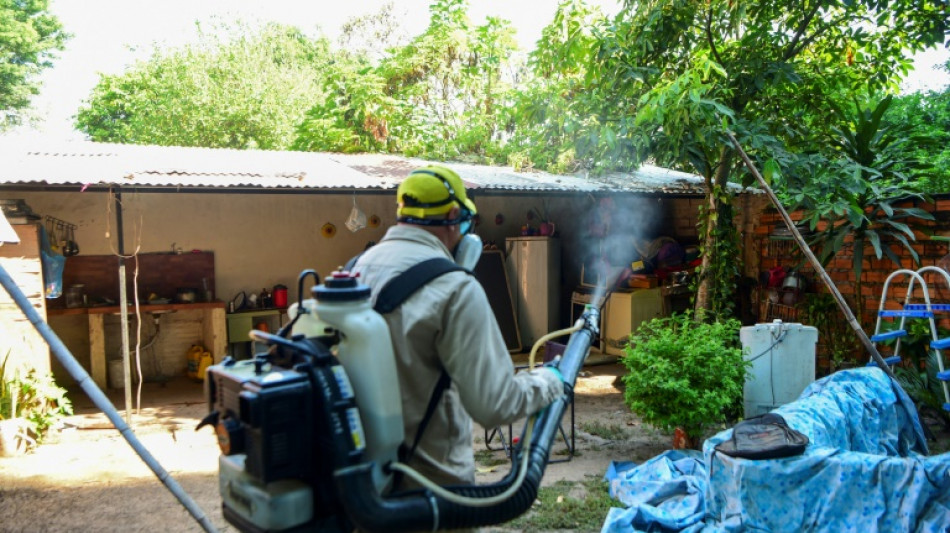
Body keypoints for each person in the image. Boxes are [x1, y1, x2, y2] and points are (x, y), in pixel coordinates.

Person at [350, 165, 565, 489]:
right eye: (466, 222)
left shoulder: (356, 269)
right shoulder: (455, 288)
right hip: (432, 492)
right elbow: (495, 404)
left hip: (365, 487)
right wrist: (550, 381)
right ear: (453, 214)